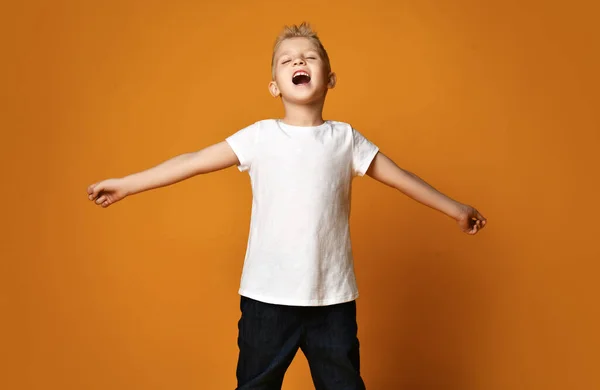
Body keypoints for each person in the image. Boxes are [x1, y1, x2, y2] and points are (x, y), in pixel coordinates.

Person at [87, 22, 487, 389]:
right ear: (275, 86)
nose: (298, 60)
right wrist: (127, 185)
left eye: (310, 57)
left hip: (331, 301)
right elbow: (191, 161)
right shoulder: (259, 137)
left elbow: (403, 178)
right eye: (287, 59)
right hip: (266, 299)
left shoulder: (346, 139)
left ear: (329, 79)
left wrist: (455, 209)